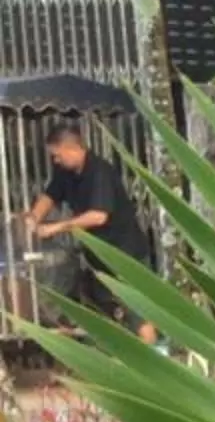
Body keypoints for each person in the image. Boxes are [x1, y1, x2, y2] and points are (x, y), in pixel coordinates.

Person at [20, 119, 158, 345]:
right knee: (105, 311)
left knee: (138, 312)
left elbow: (98, 215)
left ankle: (152, 358)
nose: (55, 161)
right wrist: (33, 217)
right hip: (98, 258)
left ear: (73, 148)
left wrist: (57, 227)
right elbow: (50, 195)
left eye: (57, 155)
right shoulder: (65, 172)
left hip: (125, 254)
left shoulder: (99, 172)